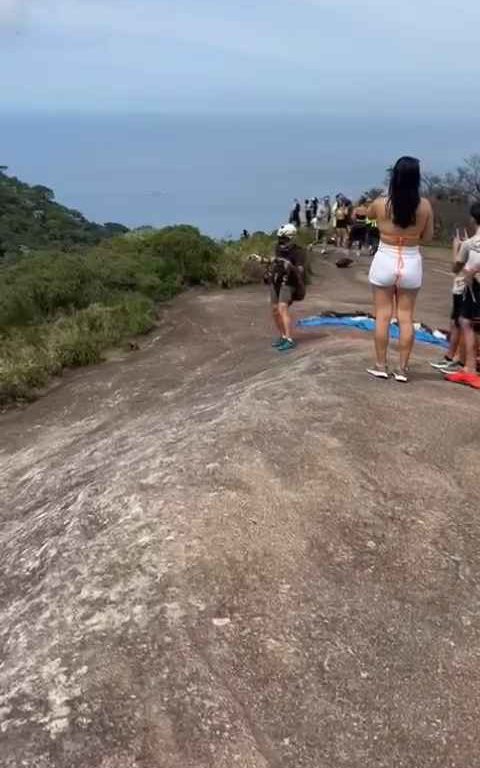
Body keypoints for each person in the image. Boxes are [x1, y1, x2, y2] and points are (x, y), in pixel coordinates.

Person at [367, 156, 434, 382]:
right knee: (406, 317)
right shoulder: (425, 206)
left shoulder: (380, 203)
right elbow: (428, 236)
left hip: (385, 257)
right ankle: (402, 369)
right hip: (411, 259)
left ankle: (380, 365)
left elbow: (368, 217)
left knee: (383, 316)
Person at [444, 203, 480, 388]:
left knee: (467, 322)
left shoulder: (469, 244)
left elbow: (456, 268)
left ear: (473, 219)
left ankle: (470, 367)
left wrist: (456, 248)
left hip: (474, 288)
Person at [268, 224, 306, 352]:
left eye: (284, 239)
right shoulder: (278, 248)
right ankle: (283, 336)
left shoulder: (298, 251)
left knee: (282, 307)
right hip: (276, 280)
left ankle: (289, 339)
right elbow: (275, 262)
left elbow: (300, 270)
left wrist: (290, 266)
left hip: (289, 282)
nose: (281, 241)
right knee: (274, 309)